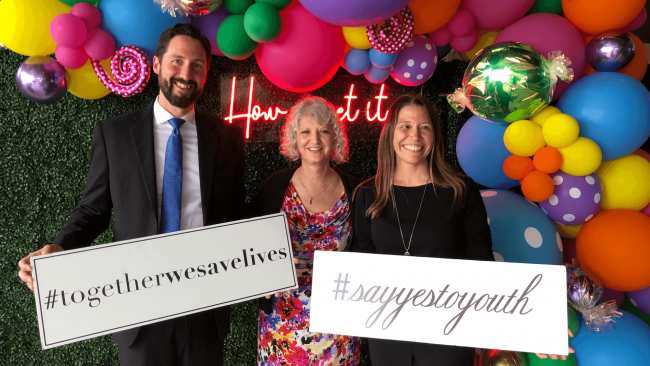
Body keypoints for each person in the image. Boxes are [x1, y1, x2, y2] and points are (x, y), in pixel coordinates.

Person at [17, 24, 245, 366]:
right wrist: (59, 248)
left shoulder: (226, 138)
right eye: (177, 61)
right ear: (156, 64)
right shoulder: (115, 134)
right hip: (137, 306)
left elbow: (236, 217)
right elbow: (93, 210)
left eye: (197, 65)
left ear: (206, 72)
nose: (186, 73)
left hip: (204, 306)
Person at [350, 95, 494, 366]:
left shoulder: (460, 191)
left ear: (435, 135)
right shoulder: (367, 194)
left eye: (424, 127)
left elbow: (482, 264)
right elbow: (361, 264)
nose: (414, 135)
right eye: (405, 126)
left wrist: (527, 329)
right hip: (386, 333)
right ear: (390, 132)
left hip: (449, 330)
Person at [248, 96, 361, 365]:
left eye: (324, 131)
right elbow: (247, 242)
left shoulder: (357, 191)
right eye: (306, 131)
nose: (315, 139)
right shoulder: (276, 185)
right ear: (295, 138)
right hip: (281, 324)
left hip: (339, 325)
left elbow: (370, 248)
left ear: (335, 138)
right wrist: (260, 275)